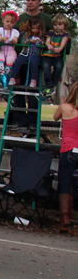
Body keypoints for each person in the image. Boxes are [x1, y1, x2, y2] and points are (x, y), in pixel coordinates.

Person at [53, 84, 78, 233]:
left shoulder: (65, 107)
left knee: (65, 180)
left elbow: (55, 117)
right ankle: (72, 210)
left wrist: (62, 101)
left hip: (68, 149)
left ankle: (65, 217)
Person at [42, 14, 71, 100]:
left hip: (57, 55)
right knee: (46, 66)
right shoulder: (51, 32)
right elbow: (47, 41)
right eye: (55, 25)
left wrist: (60, 48)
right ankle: (48, 84)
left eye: (60, 25)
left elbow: (64, 42)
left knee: (59, 66)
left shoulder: (65, 35)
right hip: (48, 54)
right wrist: (49, 45)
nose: (57, 27)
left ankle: (53, 85)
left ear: (64, 25)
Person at [12, 15, 45, 88]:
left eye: (37, 28)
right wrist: (29, 41)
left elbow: (44, 44)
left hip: (35, 54)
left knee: (34, 62)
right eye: (33, 28)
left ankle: (33, 80)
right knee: (18, 61)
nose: (35, 30)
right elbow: (23, 42)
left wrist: (39, 42)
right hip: (25, 53)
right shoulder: (26, 35)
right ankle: (12, 78)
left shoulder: (41, 36)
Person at [0, 10, 20, 89]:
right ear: (3, 21)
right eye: (7, 21)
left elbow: (16, 41)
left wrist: (12, 39)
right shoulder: (0, 30)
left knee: (9, 63)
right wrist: (3, 38)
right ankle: (2, 78)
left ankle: (4, 79)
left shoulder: (15, 32)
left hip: (11, 51)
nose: (9, 23)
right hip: (3, 50)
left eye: (11, 22)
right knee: (0, 61)